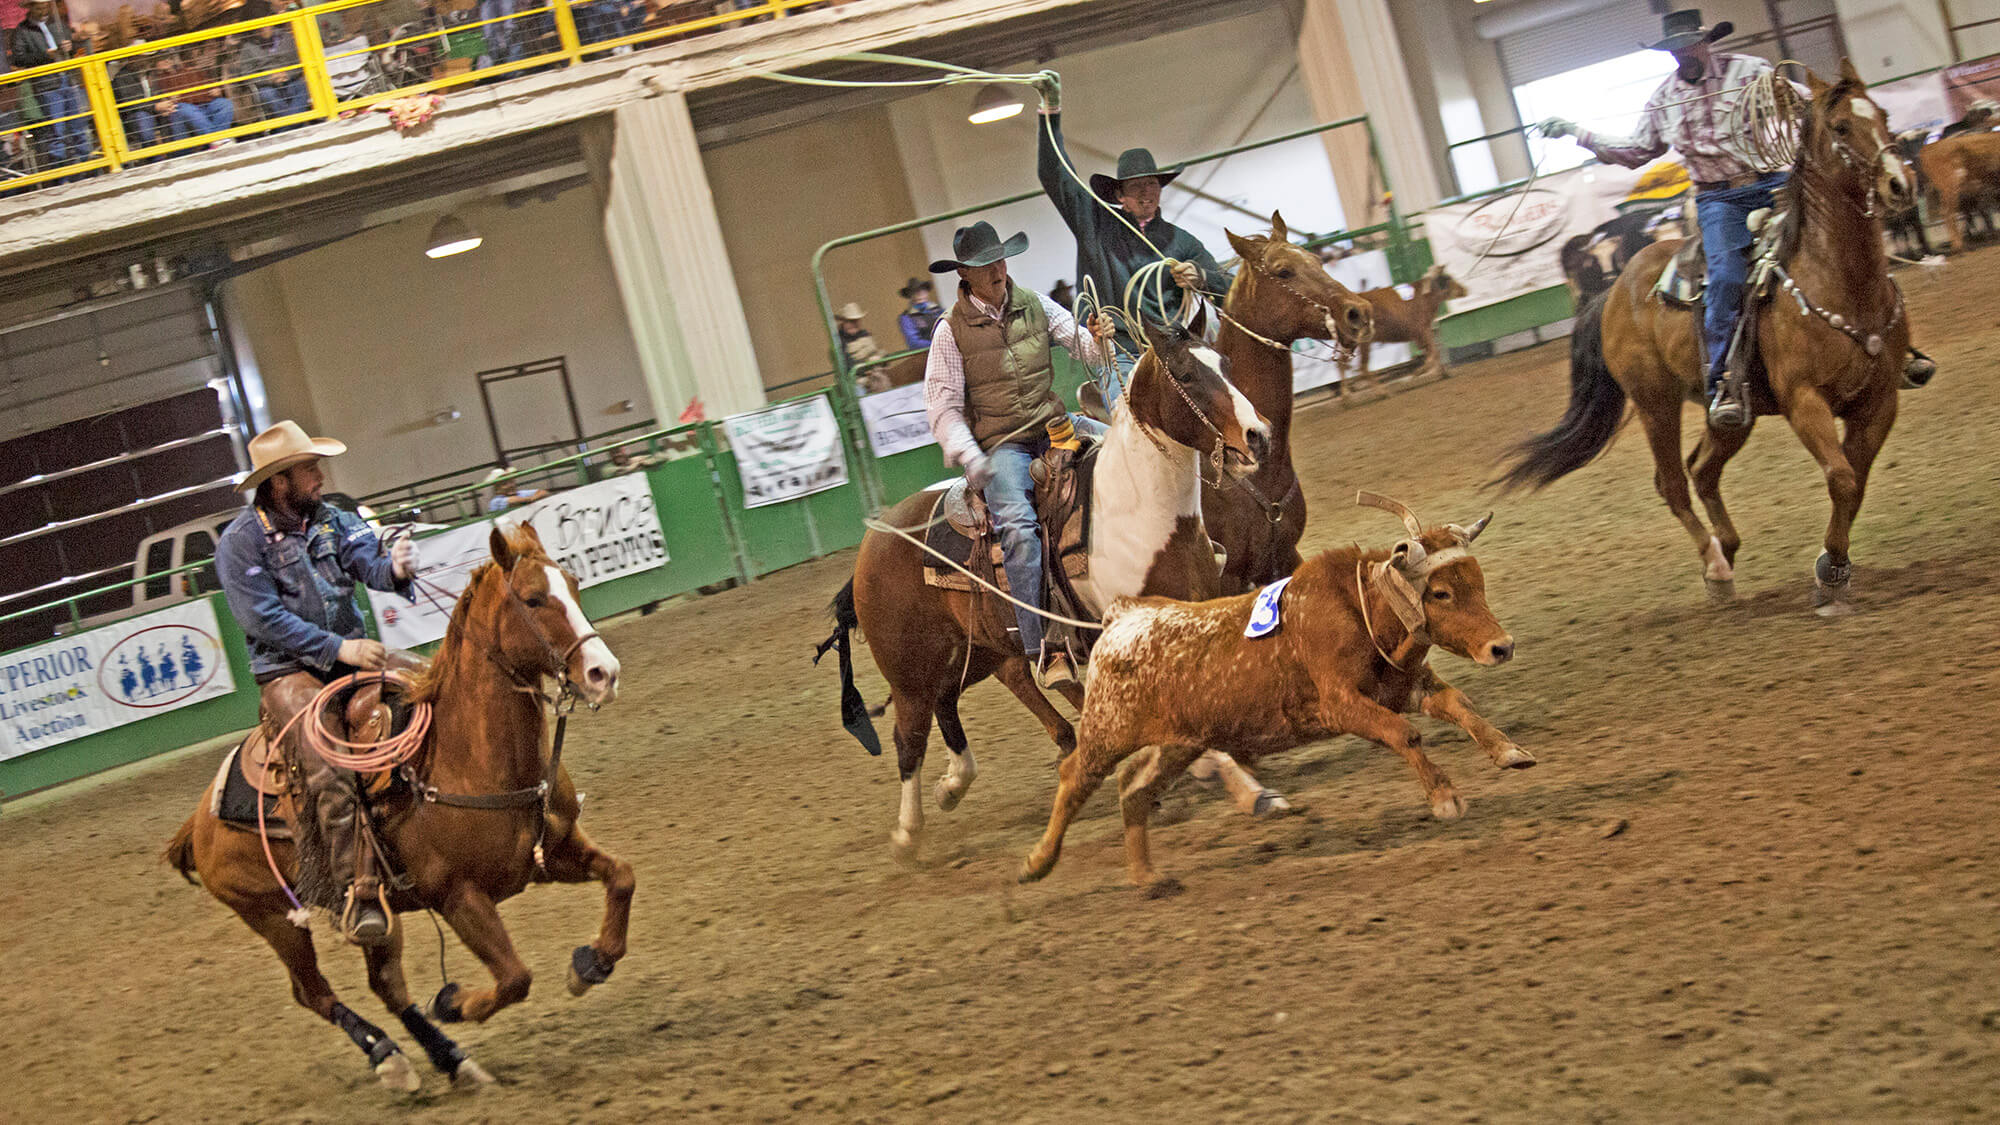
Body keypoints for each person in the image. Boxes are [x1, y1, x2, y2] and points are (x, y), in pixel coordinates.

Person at [1540, 9, 1935, 427]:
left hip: (1775, 182)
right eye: (1674, 50)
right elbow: (1638, 148)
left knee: (1847, 246)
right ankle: (1723, 380)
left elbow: (1806, 105)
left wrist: (1839, 103)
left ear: (1705, 42)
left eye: (1688, 45)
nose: (1682, 55)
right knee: (1727, 277)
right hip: (1720, 201)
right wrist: (1575, 132)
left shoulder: (1751, 73)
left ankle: (1896, 347)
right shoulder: (1663, 100)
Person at [216, 421, 420, 945]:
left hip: (353, 655)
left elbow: (365, 563)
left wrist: (394, 568)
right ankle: (360, 892)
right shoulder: (241, 544)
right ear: (279, 480)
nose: (319, 476)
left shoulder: (334, 519)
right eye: (309, 468)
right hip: (288, 672)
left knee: (429, 684)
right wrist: (339, 649)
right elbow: (263, 620)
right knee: (325, 762)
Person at [924, 221, 1116, 690]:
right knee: (1020, 530)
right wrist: (970, 454)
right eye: (985, 264)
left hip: (1053, 427)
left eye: (1000, 259)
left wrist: (1101, 337)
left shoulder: (1034, 303)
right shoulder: (950, 332)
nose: (997, 269)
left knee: (1122, 448)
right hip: (1001, 444)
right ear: (964, 275)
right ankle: (1042, 645)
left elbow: (1084, 348)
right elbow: (943, 408)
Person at [1035, 75, 1231, 406]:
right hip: (1122, 352)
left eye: (1151, 184)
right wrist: (1050, 114)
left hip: (1177, 351)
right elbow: (1056, 176)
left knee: (1222, 409)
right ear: (1120, 195)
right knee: (1130, 415)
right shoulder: (1096, 224)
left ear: (1160, 189)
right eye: (1136, 186)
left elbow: (1229, 290)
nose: (1145, 192)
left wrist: (1202, 278)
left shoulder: (1181, 243)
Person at [9, 0, 93, 170]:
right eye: (39, 7)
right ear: (30, 8)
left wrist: (70, 45)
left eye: (45, 5)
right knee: (57, 131)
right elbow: (18, 58)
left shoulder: (57, 23)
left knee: (79, 128)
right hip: (47, 86)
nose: (43, 9)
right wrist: (45, 55)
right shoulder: (21, 31)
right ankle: (62, 175)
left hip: (67, 79)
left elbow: (70, 46)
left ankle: (89, 168)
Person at [231, 13, 311, 125]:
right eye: (259, 26)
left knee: (302, 87)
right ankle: (295, 124)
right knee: (268, 95)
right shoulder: (248, 47)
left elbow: (299, 62)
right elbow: (246, 75)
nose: (263, 28)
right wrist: (269, 79)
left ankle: (287, 126)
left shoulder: (287, 38)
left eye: (265, 24)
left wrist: (287, 74)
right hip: (267, 86)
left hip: (290, 80)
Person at [154, 43, 237, 144]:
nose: (167, 61)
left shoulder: (189, 69)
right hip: (183, 108)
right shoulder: (157, 80)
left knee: (225, 104)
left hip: (206, 103)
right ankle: (217, 140)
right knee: (188, 109)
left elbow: (211, 84)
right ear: (155, 63)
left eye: (169, 57)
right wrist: (168, 100)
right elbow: (161, 101)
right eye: (162, 59)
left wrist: (217, 90)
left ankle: (219, 139)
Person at [895, 277, 943, 350]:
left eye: (923, 290)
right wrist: (938, 344)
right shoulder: (906, 317)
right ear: (910, 295)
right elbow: (914, 343)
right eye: (915, 291)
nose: (920, 293)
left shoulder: (939, 310)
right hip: (926, 353)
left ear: (927, 292)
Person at [835, 302, 886, 369]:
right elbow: (849, 366)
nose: (854, 324)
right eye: (850, 321)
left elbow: (884, 354)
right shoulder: (839, 342)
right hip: (856, 377)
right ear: (843, 322)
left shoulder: (865, 334)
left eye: (856, 321)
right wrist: (869, 362)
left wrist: (880, 356)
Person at [484, 465, 550, 511]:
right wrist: (532, 499)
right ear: (497, 490)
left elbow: (544, 492)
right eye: (504, 484)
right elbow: (513, 501)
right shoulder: (495, 501)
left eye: (511, 481)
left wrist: (531, 499)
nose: (511, 485)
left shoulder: (520, 493)